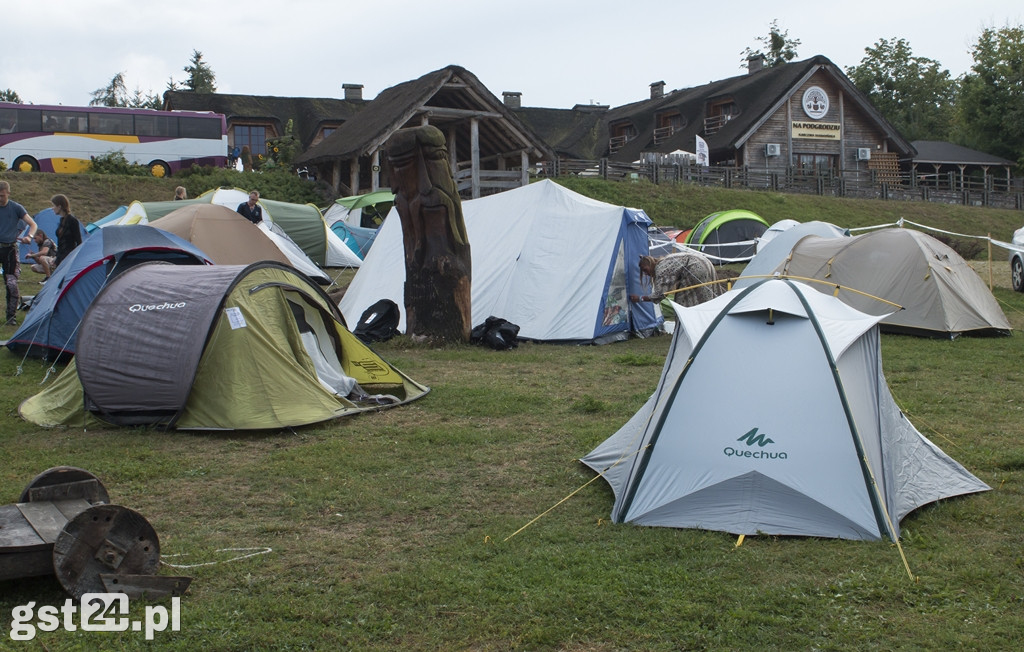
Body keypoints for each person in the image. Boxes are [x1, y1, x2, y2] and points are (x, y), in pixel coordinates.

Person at [0, 180, 38, 325]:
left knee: (11, 283)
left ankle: (11, 317)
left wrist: (30, 236)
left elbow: (33, 224)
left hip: (10, 249)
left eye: (2, 196)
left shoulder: (16, 208)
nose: (0, 199)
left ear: (8, 193)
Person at [630, 251, 720, 309]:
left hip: (695, 266)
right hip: (705, 262)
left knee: (682, 303)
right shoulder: (665, 261)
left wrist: (640, 298)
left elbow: (659, 294)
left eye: (645, 270)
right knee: (707, 296)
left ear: (650, 264)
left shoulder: (661, 269)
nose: (646, 274)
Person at [51, 194, 83, 271]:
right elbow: (60, 242)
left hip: (69, 255)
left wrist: (76, 257)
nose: (53, 208)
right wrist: (57, 257)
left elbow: (78, 240)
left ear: (59, 207)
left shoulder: (72, 221)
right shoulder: (62, 221)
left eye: (54, 205)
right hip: (61, 255)